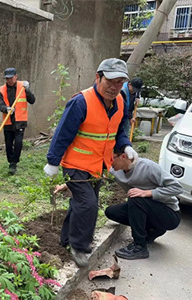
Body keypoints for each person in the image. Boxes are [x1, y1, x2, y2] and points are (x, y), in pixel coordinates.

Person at [43, 58, 138, 268]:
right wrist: (53, 162)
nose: (114, 87)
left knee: (81, 203)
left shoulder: (120, 102)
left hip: (98, 165)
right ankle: (78, 246)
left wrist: (125, 145)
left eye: (119, 82)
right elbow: (62, 134)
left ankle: (66, 239)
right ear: (98, 77)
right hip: (75, 164)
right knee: (88, 205)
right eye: (110, 81)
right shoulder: (81, 102)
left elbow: (119, 130)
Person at [106, 149, 182, 260]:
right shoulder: (115, 170)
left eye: (111, 159)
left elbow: (177, 188)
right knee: (111, 212)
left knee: (136, 199)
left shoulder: (148, 167)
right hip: (147, 208)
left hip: (170, 213)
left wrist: (148, 193)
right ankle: (152, 230)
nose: (109, 162)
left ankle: (139, 246)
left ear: (123, 156)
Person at [0, 68, 36, 175]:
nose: (9, 80)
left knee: (18, 143)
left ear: (16, 76)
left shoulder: (22, 87)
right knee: (9, 144)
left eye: (11, 78)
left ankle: (14, 163)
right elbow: (0, 105)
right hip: (8, 121)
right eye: (7, 78)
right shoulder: (1, 90)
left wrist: (28, 90)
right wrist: (7, 109)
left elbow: (32, 101)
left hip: (20, 120)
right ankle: (10, 160)